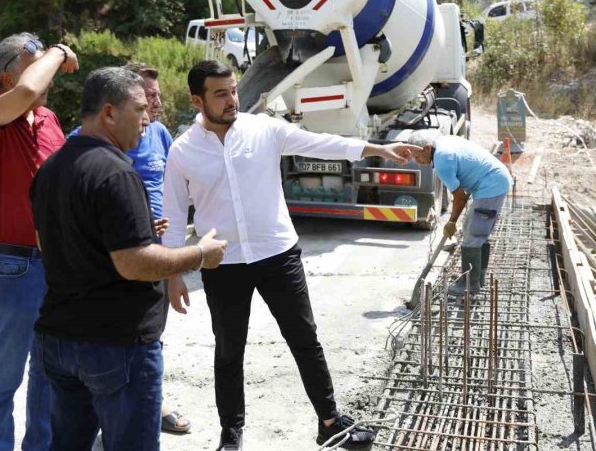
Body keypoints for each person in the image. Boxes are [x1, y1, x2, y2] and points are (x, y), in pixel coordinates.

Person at [162, 60, 420, 451]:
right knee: (229, 351)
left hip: (277, 254)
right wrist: (173, 272)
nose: (232, 99)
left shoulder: (263, 129)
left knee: (304, 339)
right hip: (223, 264)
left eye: (233, 90)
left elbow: (321, 142)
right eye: (221, 93)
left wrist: (376, 147)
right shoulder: (183, 151)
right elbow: (175, 213)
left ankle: (330, 422)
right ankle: (231, 434)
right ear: (197, 100)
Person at [30, 67, 226, 451]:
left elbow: (46, 242)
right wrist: (200, 254)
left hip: (59, 340)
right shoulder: (117, 173)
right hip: (115, 344)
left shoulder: (50, 169)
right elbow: (133, 263)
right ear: (108, 113)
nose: (148, 119)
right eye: (139, 109)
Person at [0, 33, 79, 451]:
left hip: (57, 263)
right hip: (13, 265)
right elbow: (29, 89)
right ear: (8, 74)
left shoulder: (49, 120)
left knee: (48, 372)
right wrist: (59, 52)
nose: (48, 79)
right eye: (36, 64)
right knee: (4, 374)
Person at [69, 61, 191, 434]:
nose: (154, 105)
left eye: (154, 97)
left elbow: (176, 187)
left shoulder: (158, 134)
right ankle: (109, 415)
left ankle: (153, 402)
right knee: (114, 337)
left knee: (150, 334)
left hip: (157, 250)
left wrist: (174, 267)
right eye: (144, 100)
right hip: (110, 253)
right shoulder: (84, 141)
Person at [407, 131, 513, 295]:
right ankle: (477, 277)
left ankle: (469, 285)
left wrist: (451, 222)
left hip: (491, 185)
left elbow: (460, 198)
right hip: (493, 179)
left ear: (427, 148)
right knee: (476, 231)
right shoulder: (442, 142)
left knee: (473, 234)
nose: (417, 161)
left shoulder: (442, 161)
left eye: (417, 156)